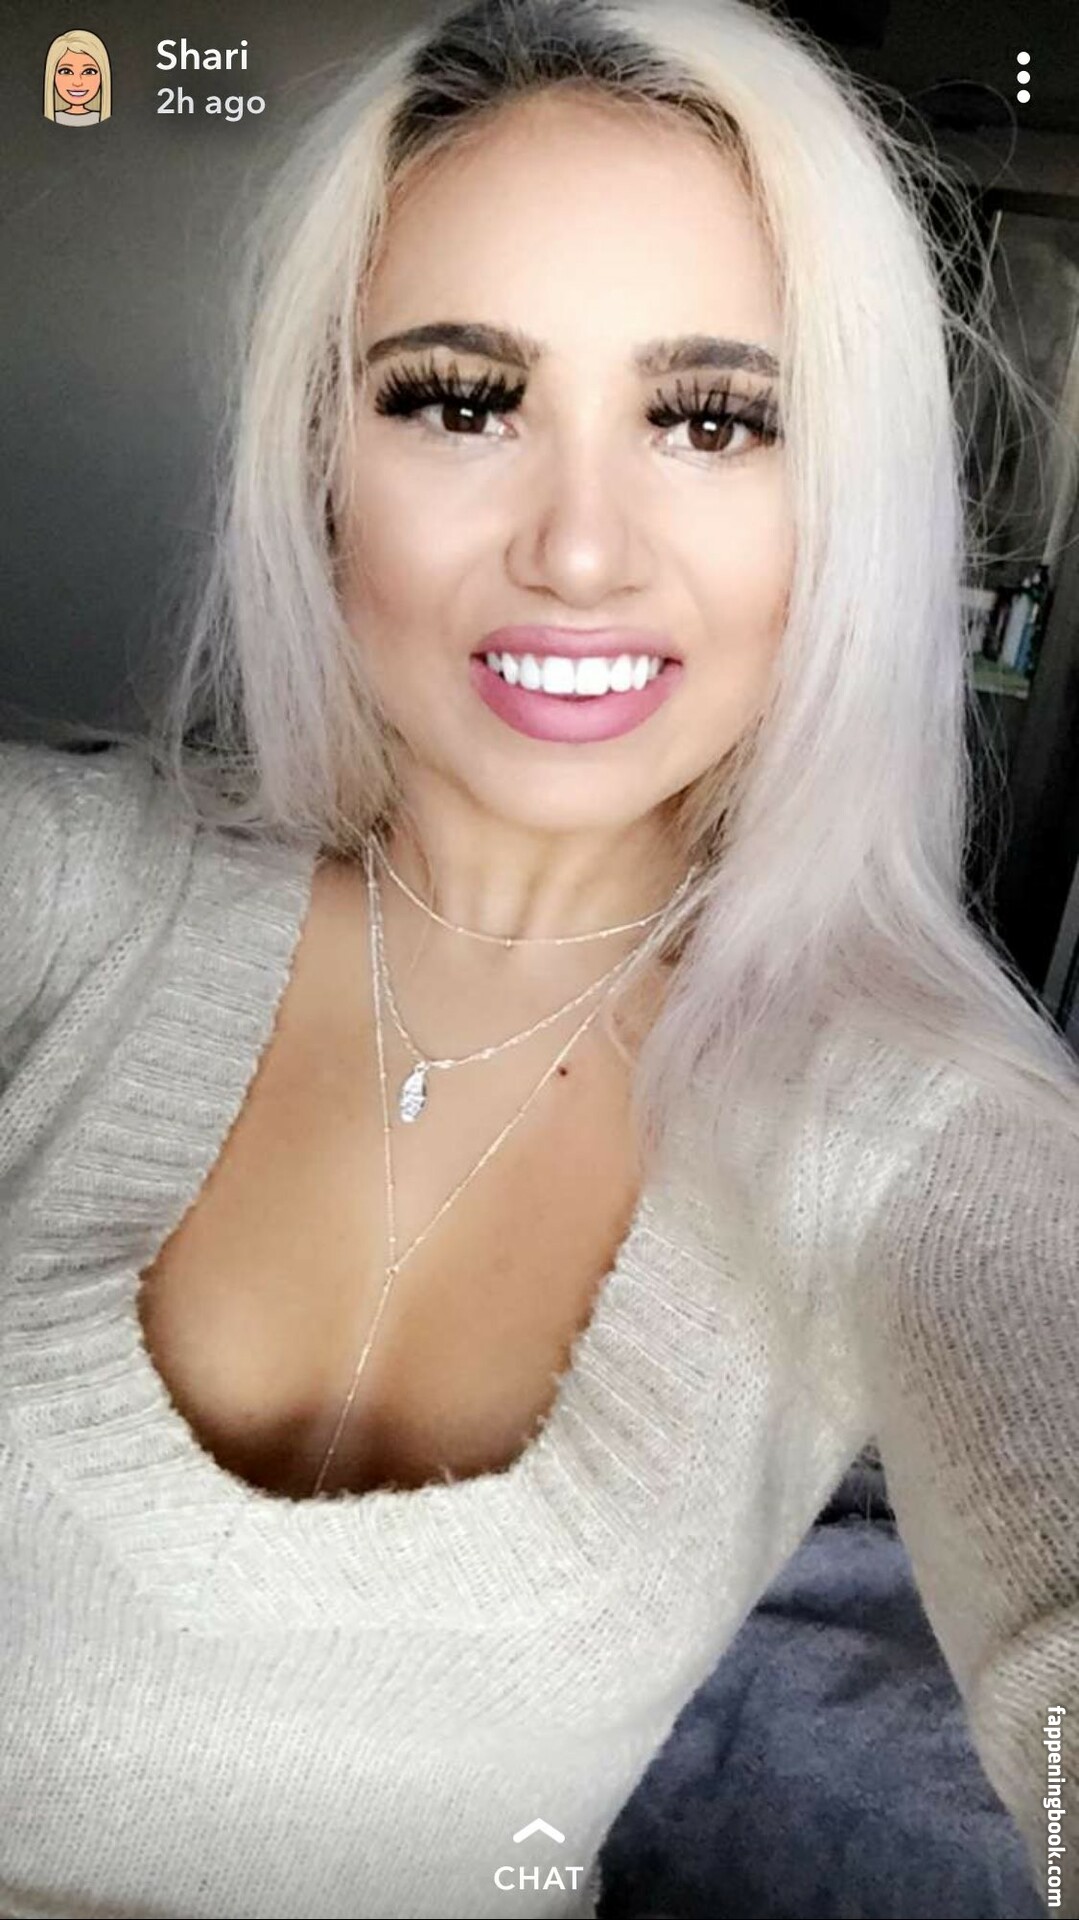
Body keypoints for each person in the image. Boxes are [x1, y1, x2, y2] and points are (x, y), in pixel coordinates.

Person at [2, 1, 1076, 1916]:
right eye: (460, 399)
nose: (582, 551)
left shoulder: (927, 1134)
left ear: (841, 509)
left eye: (713, 420)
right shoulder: (65, 894)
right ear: (323, 459)